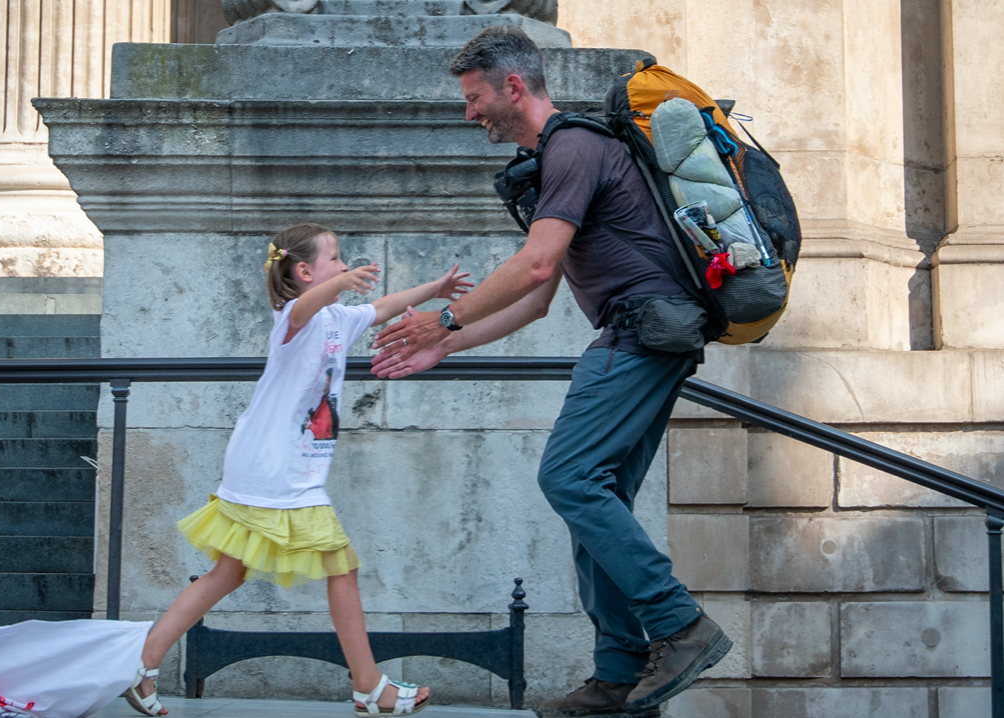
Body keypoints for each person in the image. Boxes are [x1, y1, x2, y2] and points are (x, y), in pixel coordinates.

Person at [369, 27, 731, 718]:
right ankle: (619, 674)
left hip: (641, 333)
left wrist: (443, 320)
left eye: (475, 98)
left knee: (567, 478)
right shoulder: (559, 159)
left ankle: (680, 625)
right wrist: (450, 345)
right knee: (595, 499)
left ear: (513, 86)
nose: (468, 113)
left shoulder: (574, 146)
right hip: (647, 334)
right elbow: (536, 301)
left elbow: (533, 267)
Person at [124, 223, 472, 718]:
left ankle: (142, 665)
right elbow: (305, 306)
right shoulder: (295, 316)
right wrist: (338, 284)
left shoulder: (339, 318)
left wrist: (436, 292)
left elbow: (386, 306)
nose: (345, 266)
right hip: (275, 470)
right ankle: (371, 688)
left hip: (277, 468)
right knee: (342, 568)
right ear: (305, 271)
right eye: (336, 259)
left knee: (229, 572)